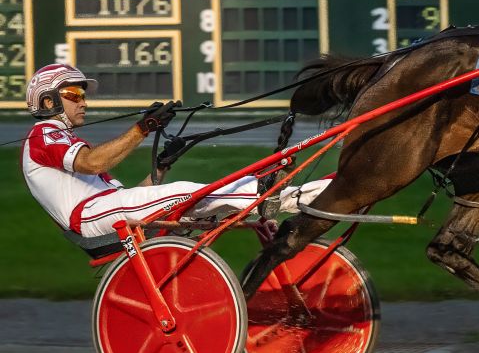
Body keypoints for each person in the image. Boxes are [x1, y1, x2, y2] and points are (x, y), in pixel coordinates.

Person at [20, 63, 328, 239]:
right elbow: (91, 162)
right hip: (90, 217)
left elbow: (135, 196)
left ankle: (282, 195)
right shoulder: (43, 134)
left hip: (105, 211)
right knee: (190, 193)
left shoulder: (60, 141)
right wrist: (143, 128)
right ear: (49, 102)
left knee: (203, 200)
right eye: (74, 94)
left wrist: (164, 163)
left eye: (82, 94)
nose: (83, 101)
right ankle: (303, 197)